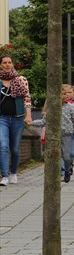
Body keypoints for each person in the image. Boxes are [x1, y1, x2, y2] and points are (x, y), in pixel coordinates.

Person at [0, 53, 34, 186]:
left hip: (17, 118)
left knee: (14, 148)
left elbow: (27, 98)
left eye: (9, 62)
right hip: (2, 118)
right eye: (4, 62)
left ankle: (13, 172)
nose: (7, 65)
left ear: (12, 64)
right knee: (3, 146)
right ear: (0, 65)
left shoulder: (21, 79)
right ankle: (4, 176)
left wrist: (28, 115)